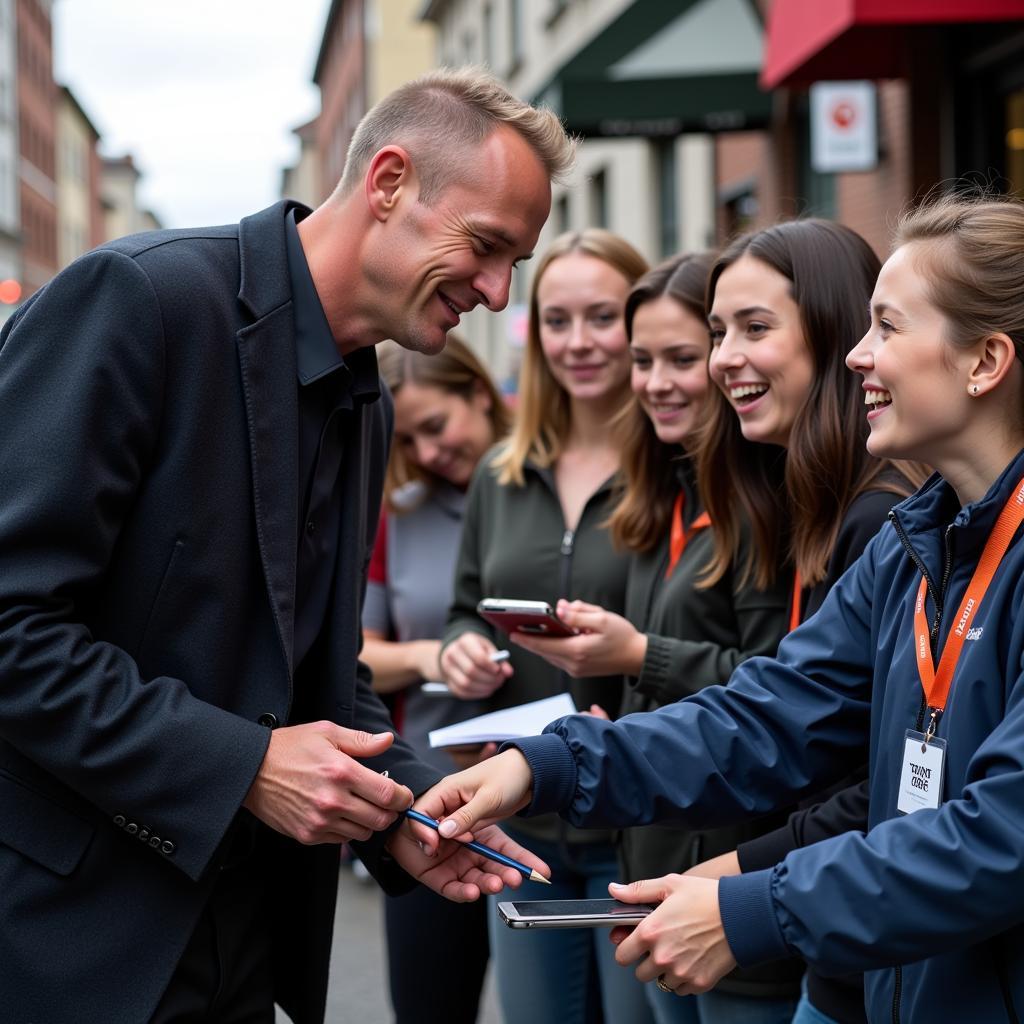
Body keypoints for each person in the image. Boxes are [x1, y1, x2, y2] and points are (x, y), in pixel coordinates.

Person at [0, 67, 569, 1024]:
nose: (498, 293)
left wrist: (408, 813)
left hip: (248, 954)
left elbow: (316, 671)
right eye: (486, 247)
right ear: (389, 181)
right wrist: (243, 769)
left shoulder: (369, 399)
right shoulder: (140, 300)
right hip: (68, 948)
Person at [414, 194, 1024, 1023]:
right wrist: (548, 766)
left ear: (984, 362)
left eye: (888, 328)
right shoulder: (915, 545)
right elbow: (768, 713)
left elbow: (1000, 839)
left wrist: (749, 902)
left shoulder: (914, 533)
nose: (857, 355)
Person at [508, 251, 798, 1024]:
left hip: (728, 881)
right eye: (644, 361)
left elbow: (787, 694)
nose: (657, 382)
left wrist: (639, 654)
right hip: (655, 865)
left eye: (682, 358)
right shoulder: (665, 495)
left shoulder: (767, 505)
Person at [439, 228, 655, 1024]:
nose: (578, 341)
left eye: (602, 316)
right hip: (523, 821)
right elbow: (466, 605)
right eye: (557, 320)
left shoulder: (672, 468)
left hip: (641, 824)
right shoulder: (503, 471)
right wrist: (461, 646)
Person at [362, 335, 511, 1024]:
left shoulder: (544, 489)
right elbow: (354, 651)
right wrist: (430, 657)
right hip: (433, 800)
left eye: (434, 427)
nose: (424, 453)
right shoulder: (399, 512)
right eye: (406, 439)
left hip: (545, 798)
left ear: (478, 392)